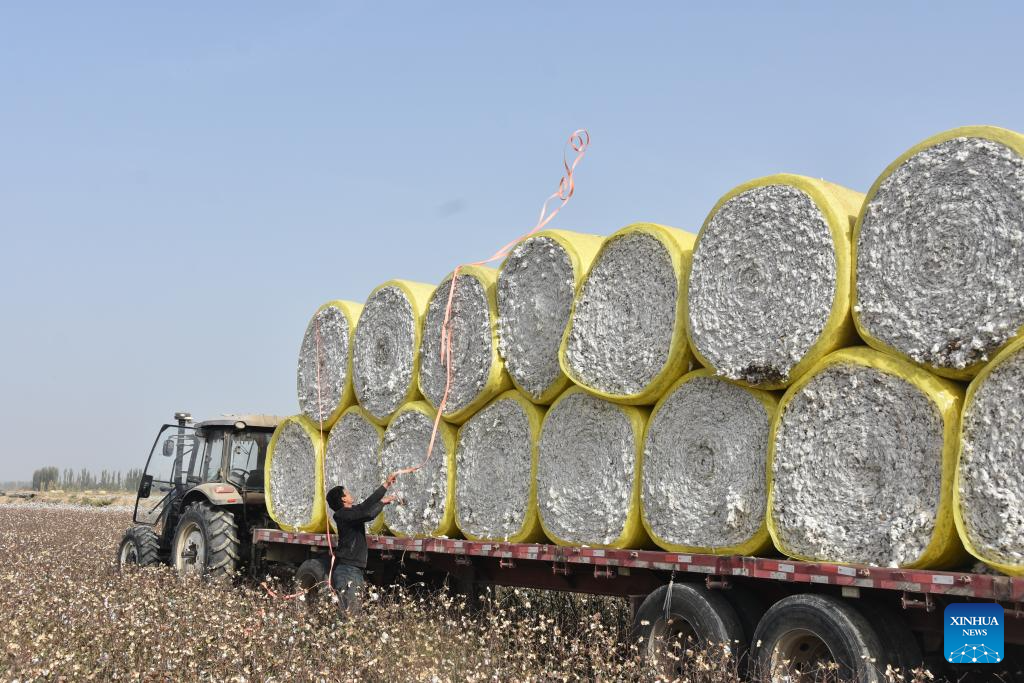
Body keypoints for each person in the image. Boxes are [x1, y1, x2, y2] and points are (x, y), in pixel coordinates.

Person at [324, 471, 399, 614]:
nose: (350, 493)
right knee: (350, 613)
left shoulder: (349, 512)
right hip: (348, 571)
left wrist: (386, 484)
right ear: (343, 499)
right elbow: (368, 514)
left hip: (353, 569)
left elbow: (366, 505)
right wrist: (383, 502)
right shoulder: (342, 515)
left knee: (352, 612)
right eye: (347, 493)